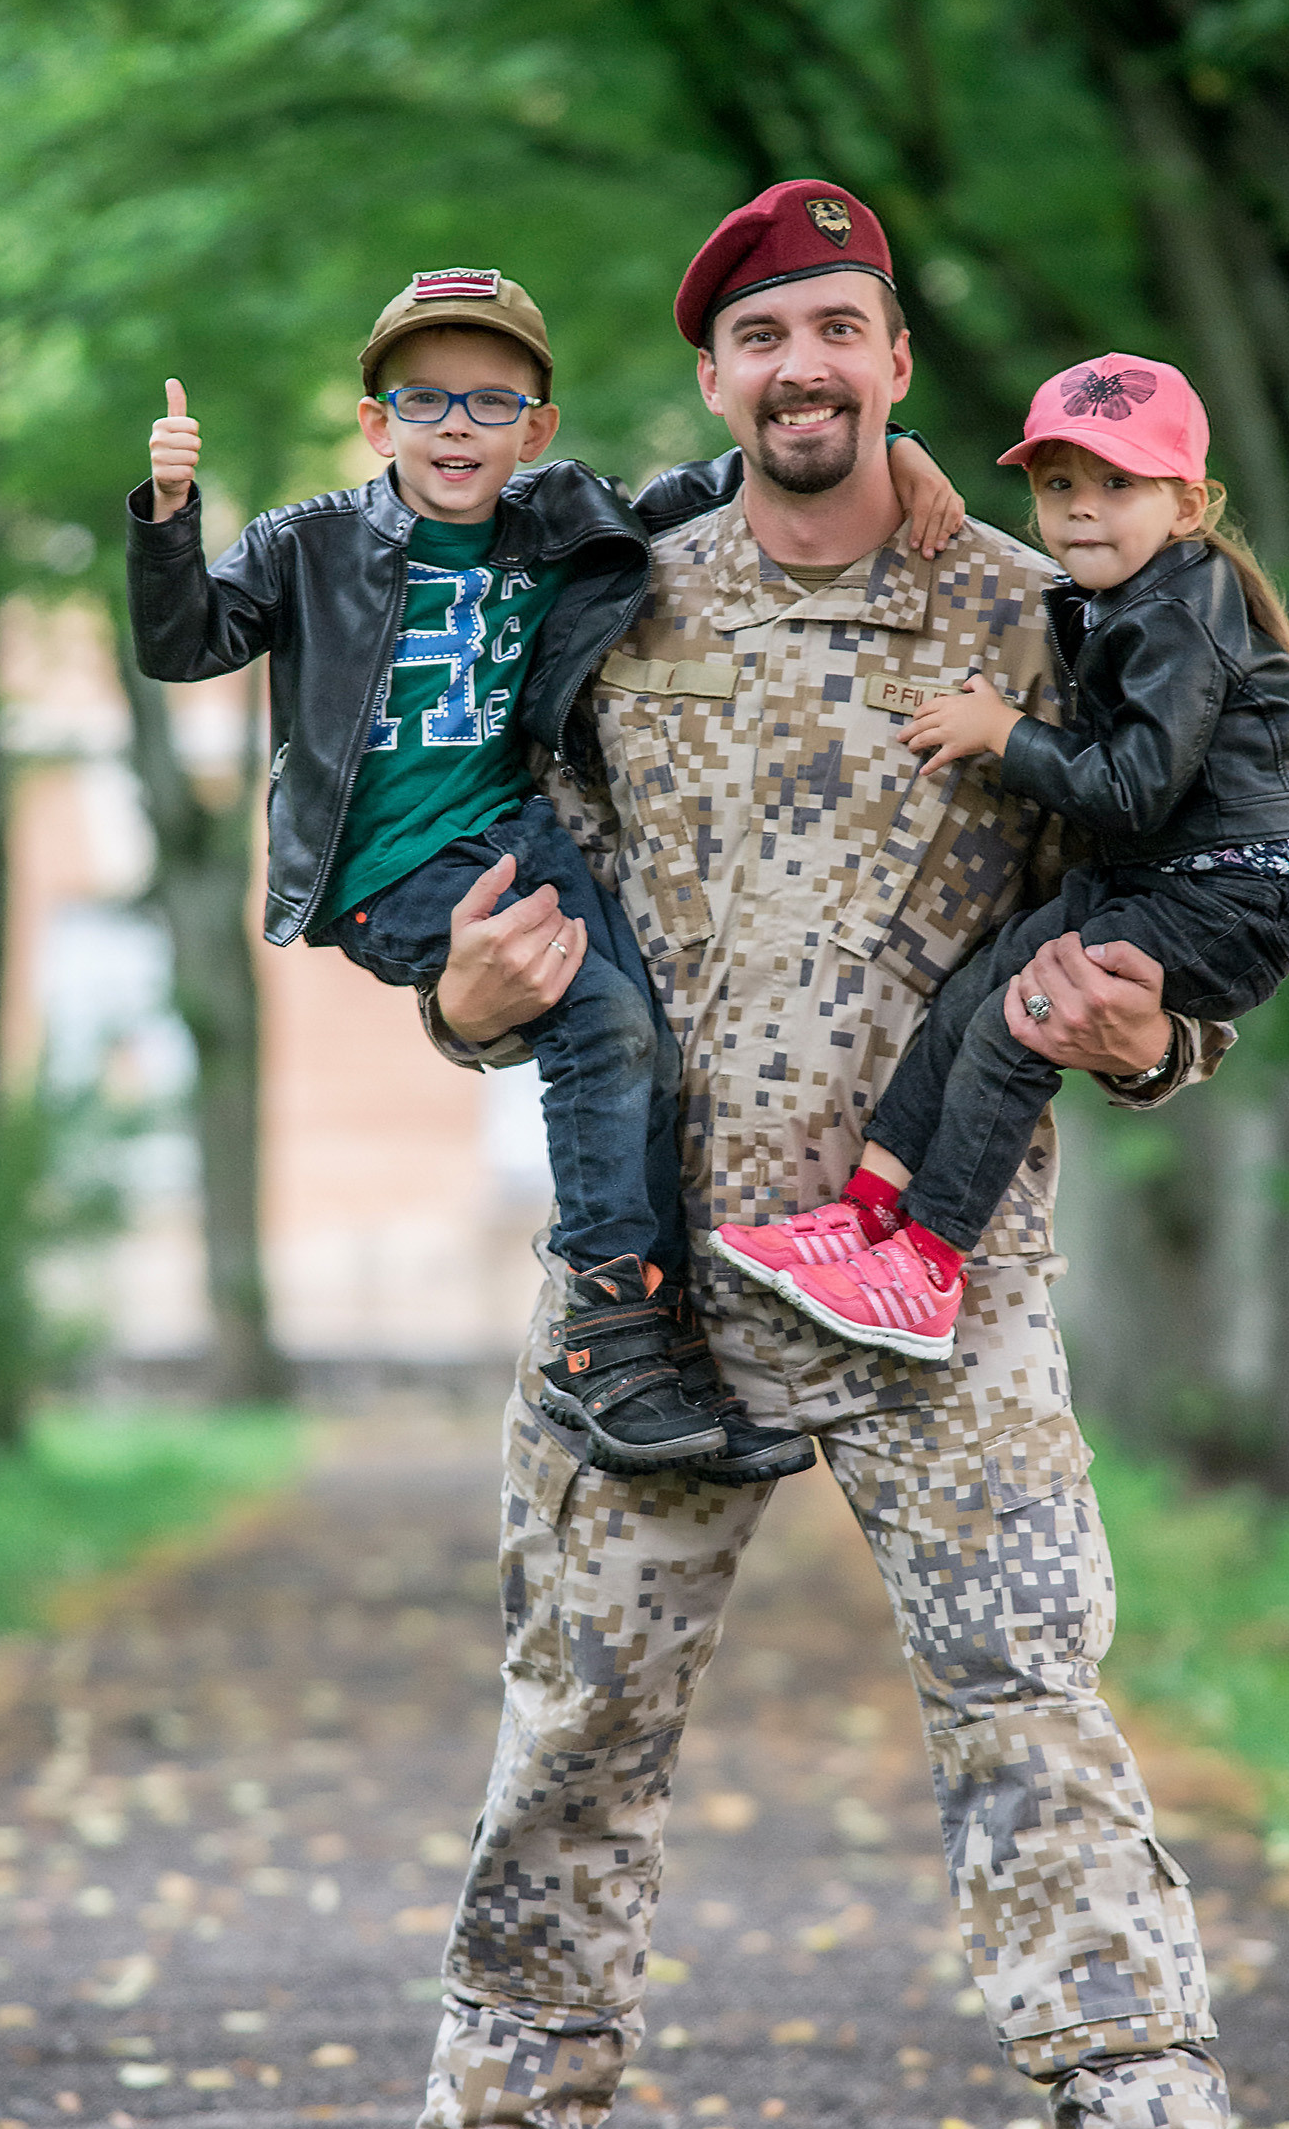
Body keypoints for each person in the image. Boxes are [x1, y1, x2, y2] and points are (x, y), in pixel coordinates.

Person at [266, 180, 1272, 2129]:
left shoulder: (1054, 618)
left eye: (838, 326)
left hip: (940, 1296)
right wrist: (459, 1006)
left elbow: (1170, 917)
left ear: (896, 356)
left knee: (1037, 1736)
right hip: (654, 1278)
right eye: (757, 339)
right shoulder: (608, 599)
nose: (800, 368)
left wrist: (1158, 1042)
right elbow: (491, 878)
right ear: (710, 378)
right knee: (573, 1730)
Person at [125, 265, 958, 1480]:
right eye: (422, 401)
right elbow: (183, 641)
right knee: (602, 1025)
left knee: (648, 1050)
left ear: (536, 428)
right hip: (390, 867)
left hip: (516, 834)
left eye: (488, 402)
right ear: (375, 425)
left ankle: (655, 1360)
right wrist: (165, 515)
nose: (454, 426)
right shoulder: (307, 544)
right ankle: (602, 1344)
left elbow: (718, 477)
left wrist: (907, 452)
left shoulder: (561, 517)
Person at [715, 353, 1289, 1361]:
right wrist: (902, 452)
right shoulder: (1125, 594)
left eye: (1115, 483)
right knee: (972, 989)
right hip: (1156, 884)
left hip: (1227, 901)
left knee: (1018, 1018)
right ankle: (870, 1209)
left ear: (1186, 504)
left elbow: (1131, 788)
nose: (1081, 510)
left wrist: (1002, 734)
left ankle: (925, 1266)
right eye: (1057, 485)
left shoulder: (1176, 616)